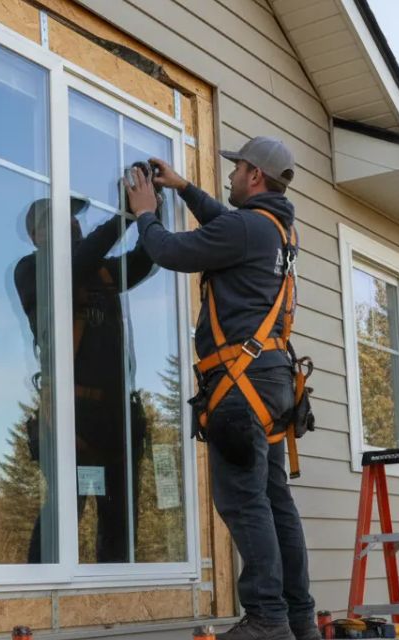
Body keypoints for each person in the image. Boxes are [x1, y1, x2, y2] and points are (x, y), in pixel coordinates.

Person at [123, 137, 318, 640]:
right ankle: (298, 619)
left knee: (243, 502)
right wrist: (184, 188)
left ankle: (267, 619)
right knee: (275, 501)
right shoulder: (277, 229)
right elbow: (223, 223)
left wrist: (146, 213)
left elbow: (168, 250)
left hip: (239, 386)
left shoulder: (247, 226)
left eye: (235, 170)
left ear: (254, 175)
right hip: (271, 384)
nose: (228, 177)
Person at [14, 195, 153, 563]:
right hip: (71, 415)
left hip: (118, 418)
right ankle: (39, 588)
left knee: (120, 523)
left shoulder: (101, 272)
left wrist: (151, 210)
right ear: (36, 235)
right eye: (59, 220)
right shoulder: (32, 270)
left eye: (73, 218)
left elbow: (146, 258)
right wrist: (125, 214)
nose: (72, 224)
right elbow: (75, 264)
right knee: (62, 516)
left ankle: (115, 596)